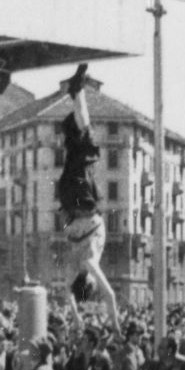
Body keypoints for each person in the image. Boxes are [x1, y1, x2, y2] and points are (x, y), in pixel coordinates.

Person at [58, 64, 120, 330]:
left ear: (91, 282)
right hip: (69, 200)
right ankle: (76, 98)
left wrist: (115, 322)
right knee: (76, 145)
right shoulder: (73, 272)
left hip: (83, 203)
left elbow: (111, 295)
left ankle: (78, 91)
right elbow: (67, 295)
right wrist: (76, 318)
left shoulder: (88, 263)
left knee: (86, 140)